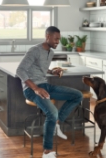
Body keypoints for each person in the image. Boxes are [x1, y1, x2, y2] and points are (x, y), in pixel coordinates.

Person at [16, 26, 83, 158]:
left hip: (45, 86)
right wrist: (36, 88)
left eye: (59, 39)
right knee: (52, 112)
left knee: (77, 95)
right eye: (56, 39)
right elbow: (20, 70)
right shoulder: (34, 50)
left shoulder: (50, 52)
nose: (58, 41)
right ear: (47, 36)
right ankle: (47, 152)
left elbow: (40, 68)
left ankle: (57, 123)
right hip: (31, 90)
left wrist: (52, 71)